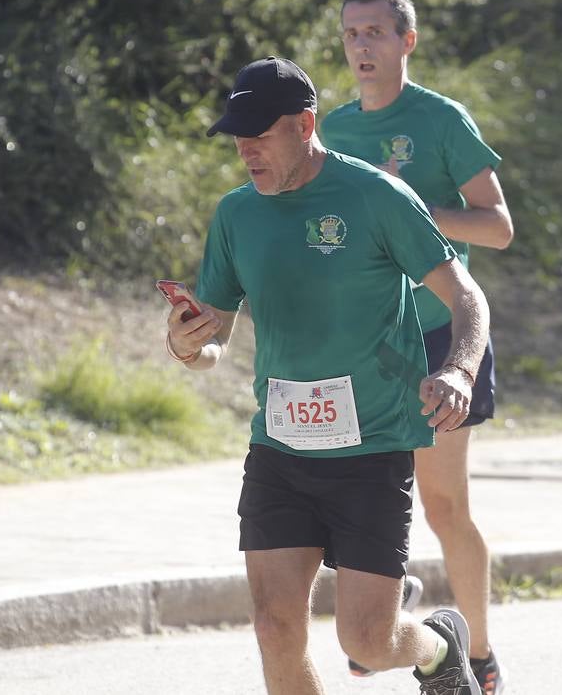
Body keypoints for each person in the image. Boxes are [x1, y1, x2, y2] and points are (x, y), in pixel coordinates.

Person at [167, 55, 490, 695]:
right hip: (280, 449)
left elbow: (467, 297)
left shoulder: (375, 196)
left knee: (366, 639)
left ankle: (439, 645)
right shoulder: (237, 215)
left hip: (370, 449)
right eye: (238, 136)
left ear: (305, 123)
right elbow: (216, 341)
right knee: (273, 626)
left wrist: (457, 369)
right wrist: (186, 346)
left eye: (260, 133)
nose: (245, 149)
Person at [321, 0, 513, 694]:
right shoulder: (332, 132)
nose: (362, 46)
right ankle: (386, 612)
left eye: (375, 32)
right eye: (351, 34)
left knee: (442, 504)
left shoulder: (440, 120)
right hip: (366, 343)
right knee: (362, 491)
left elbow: (497, 226)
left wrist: (412, 212)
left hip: (440, 334)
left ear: (408, 40)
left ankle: (481, 650)